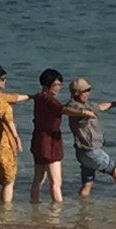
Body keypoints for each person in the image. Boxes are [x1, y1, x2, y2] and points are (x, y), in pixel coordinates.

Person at [65, 78, 116, 199]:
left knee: (87, 183)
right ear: (76, 93)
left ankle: (83, 208)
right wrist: (84, 113)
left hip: (84, 152)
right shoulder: (73, 105)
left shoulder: (88, 104)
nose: (87, 93)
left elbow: (102, 106)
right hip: (91, 151)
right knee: (115, 171)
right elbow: (68, 111)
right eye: (84, 91)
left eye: (88, 90)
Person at [29, 68, 95, 204]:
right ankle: (56, 211)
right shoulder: (50, 100)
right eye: (56, 84)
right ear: (47, 85)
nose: (59, 87)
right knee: (56, 182)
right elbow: (64, 110)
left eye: (60, 84)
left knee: (38, 179)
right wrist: (84, 112)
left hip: (38, 140)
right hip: (50, 142)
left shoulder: (39, 97)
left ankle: (34, 205)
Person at [0, 64, 32, 204]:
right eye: (2, 79)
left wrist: (30, 96)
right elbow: (6, 118)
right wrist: (16, 137)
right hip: (1, 141)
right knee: (9, 179)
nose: (5, 81)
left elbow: (11, 98)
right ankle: (5, 210)